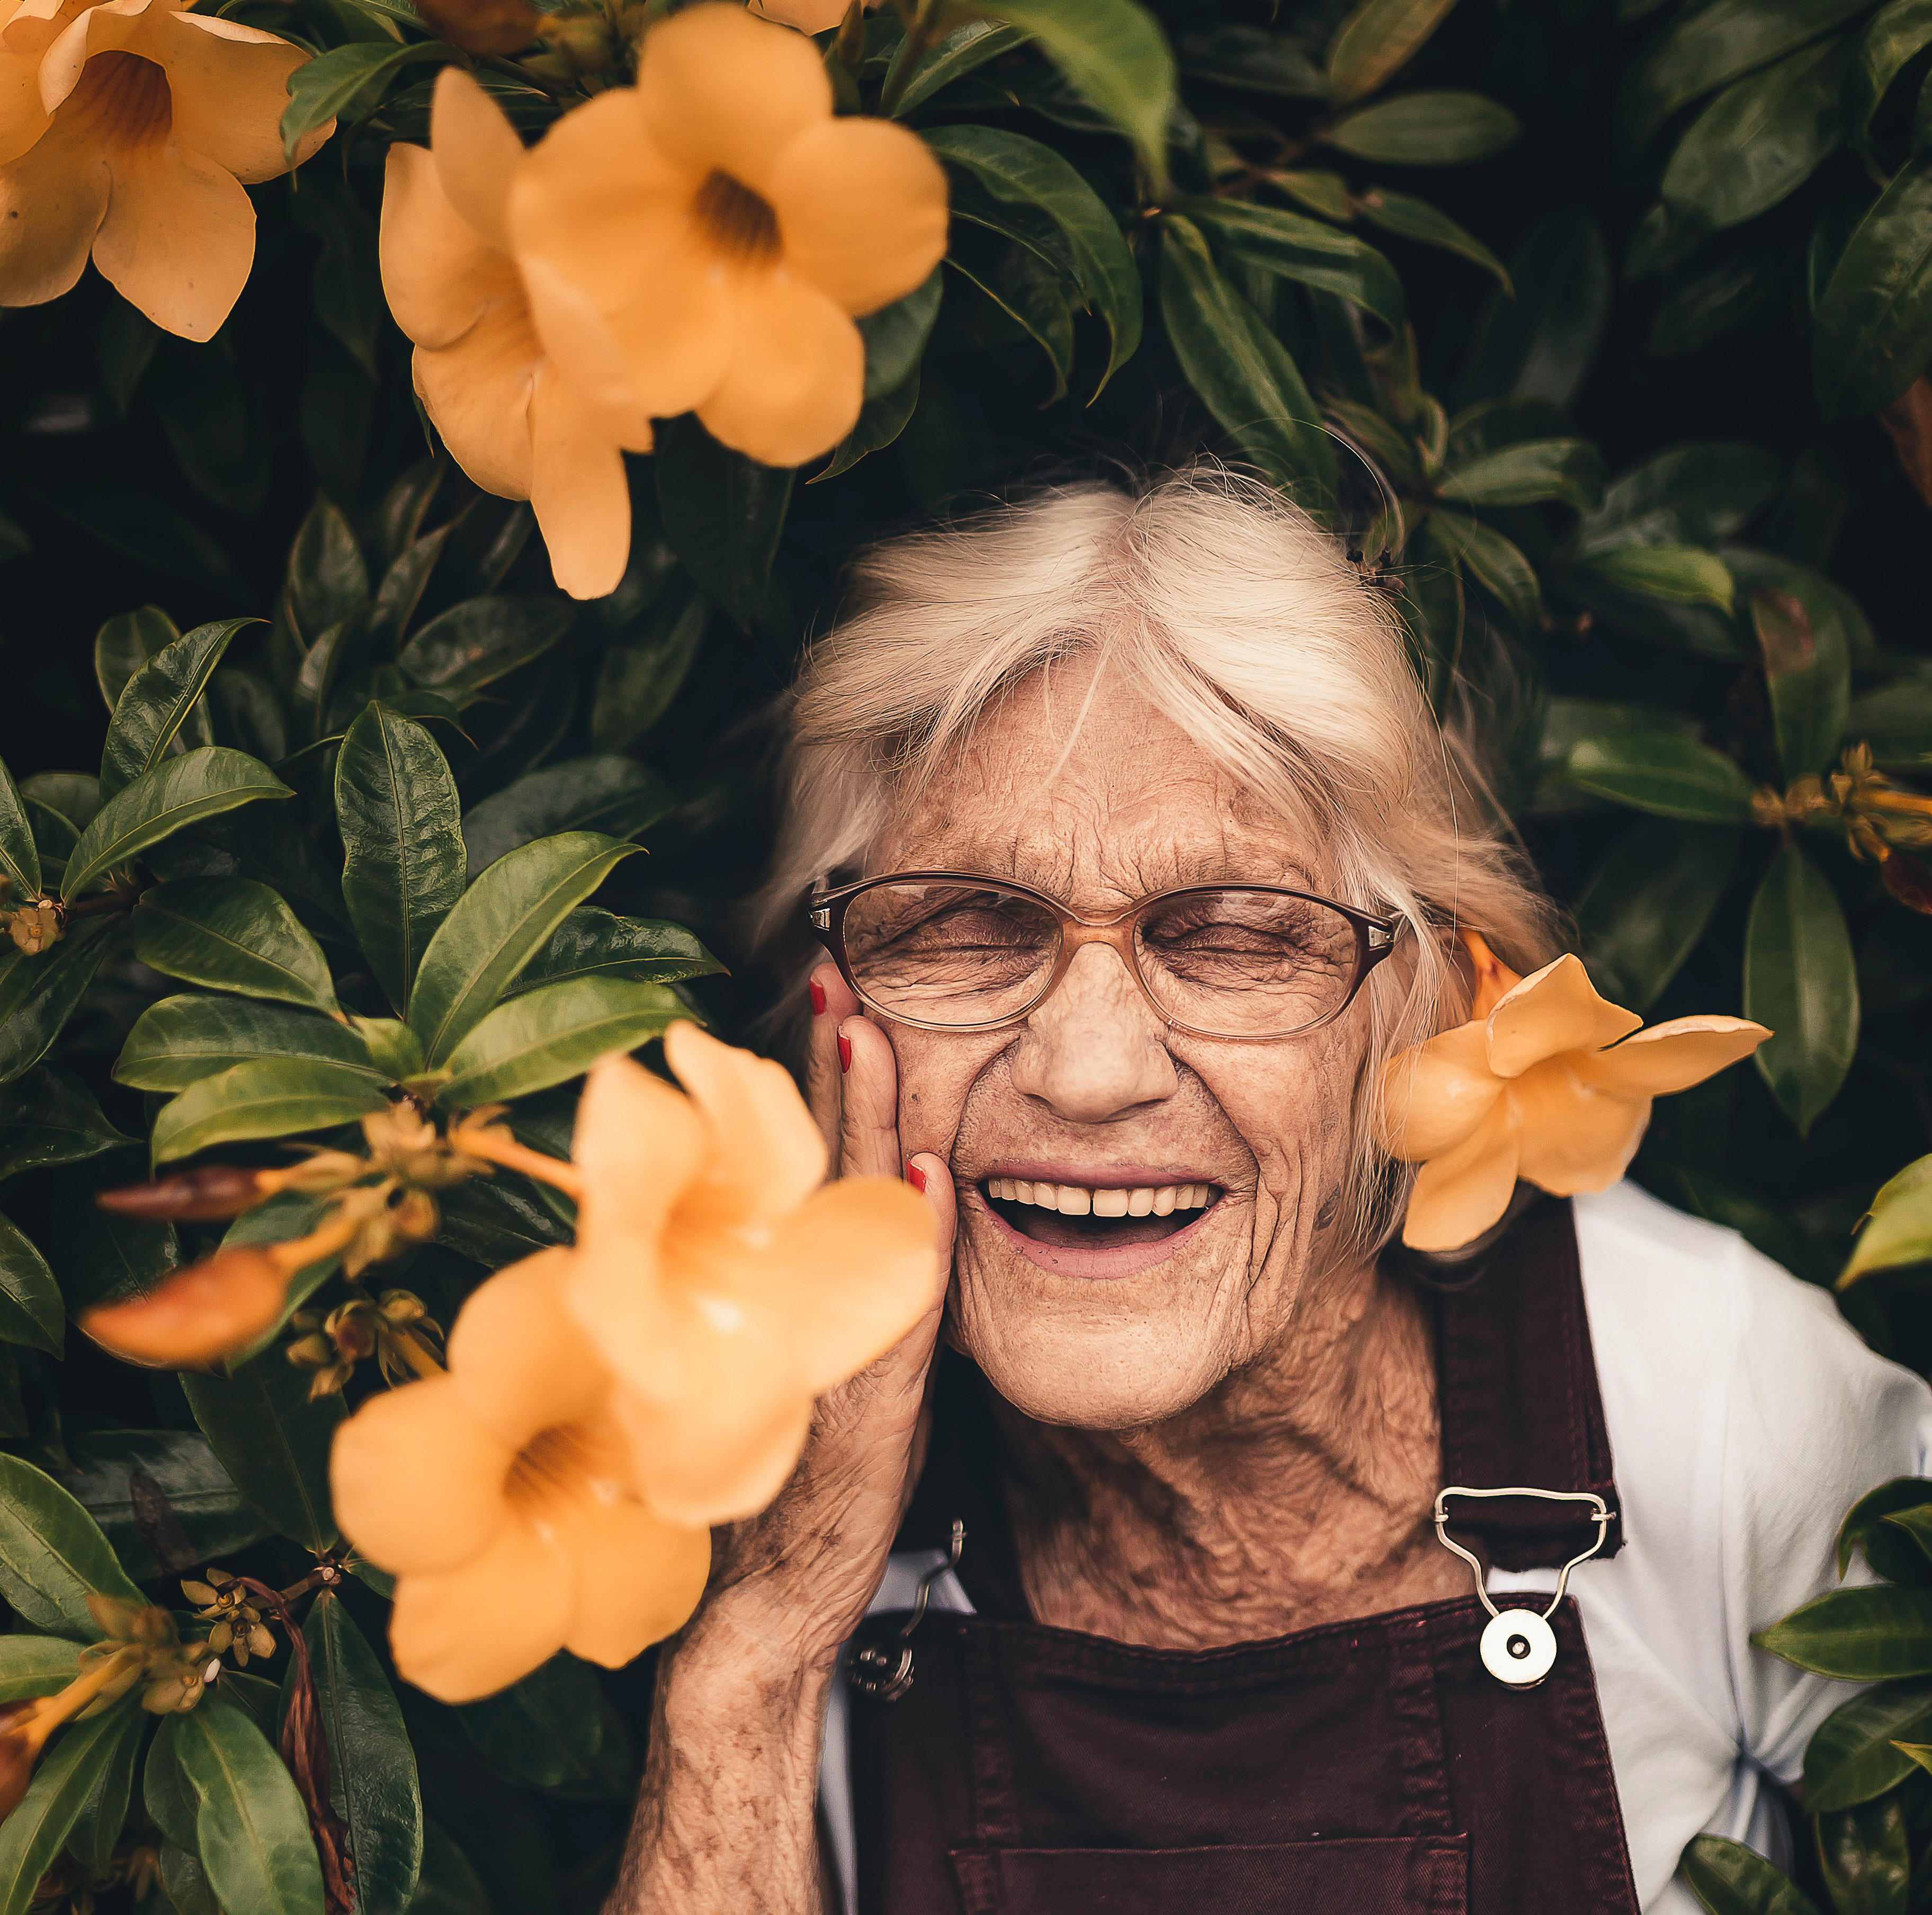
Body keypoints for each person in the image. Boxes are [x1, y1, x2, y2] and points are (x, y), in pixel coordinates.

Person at [604, 468, 1932, 1914]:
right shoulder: (764, 1472)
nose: (1090, 1069)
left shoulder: (1717, 1406)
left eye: (1235, 937)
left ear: (1414, 1008)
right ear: (828, 1014)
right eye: (970, 929)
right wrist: (763, 1642)